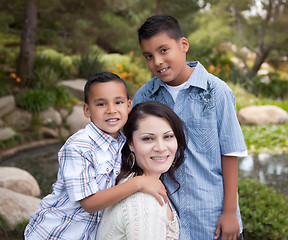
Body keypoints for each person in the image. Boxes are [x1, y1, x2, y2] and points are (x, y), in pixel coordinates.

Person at [133, 14, 248, 240]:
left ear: (183, 45)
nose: (157, 61)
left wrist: (229, 212)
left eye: (163, 50)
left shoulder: (217, 92)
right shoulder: (144, 97)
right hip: (165, 222)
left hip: (211, 218)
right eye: (149, 56)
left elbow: (230, 152)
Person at [24, 72, 168, 240]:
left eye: (118, 102)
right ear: (87, 110)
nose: (111, 110)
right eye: (101, 104)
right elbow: (89, 204)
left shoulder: (124, 143)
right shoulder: (79, 146)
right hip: (57, 232)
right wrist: (138, 183)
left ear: (129, 106)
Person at [96, 101, 186, 240]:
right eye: (148, 139)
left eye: (168, 136)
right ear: (131, 143)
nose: (161, 147)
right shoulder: (144, 203)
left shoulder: (137, 180)